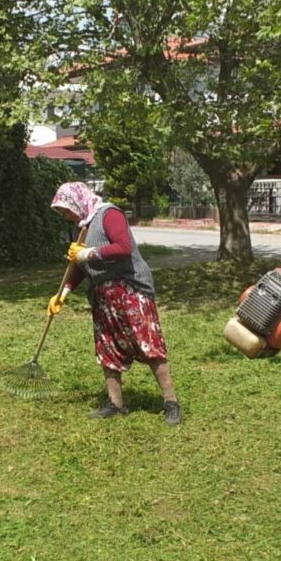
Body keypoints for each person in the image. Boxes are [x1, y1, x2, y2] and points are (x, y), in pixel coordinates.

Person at [47, 181, 182, 425]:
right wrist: (63, 293)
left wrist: (88, 253)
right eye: (62, 212)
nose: (65, 216)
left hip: (130, 290)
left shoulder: (109, 214)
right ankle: (116, 403)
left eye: (66, 210)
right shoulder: (82, 227)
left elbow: (123, 247)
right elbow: (79, 266)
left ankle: (171, 402)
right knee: (107, 348)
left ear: (77, 201)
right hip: (102, 296)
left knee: (148, 345)